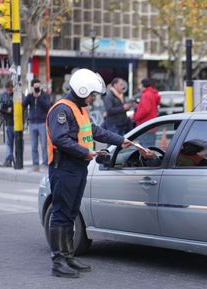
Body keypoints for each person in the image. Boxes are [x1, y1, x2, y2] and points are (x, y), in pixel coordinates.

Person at [46, 68, 152, 278]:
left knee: (71, 213)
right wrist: (87, 152)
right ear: (82, 90)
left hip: (78, 168)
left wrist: (121, 140)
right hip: (64, 169)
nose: (94, 98)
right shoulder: (62, 110)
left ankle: (68, 257)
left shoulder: (80, 109)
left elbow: (95, 131)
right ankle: (58, 262)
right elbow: (61, 139)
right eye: (92, 94)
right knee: (61, 213)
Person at [23, 78, 51, 171]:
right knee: (33, 146)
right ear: (32, 87)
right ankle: (35, 164)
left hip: (42, 123)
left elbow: (48, 107)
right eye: (35, 87)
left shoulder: (45, 95)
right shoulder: (30, 96)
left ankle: (45, 164)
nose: (37, 89)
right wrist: (30, 95)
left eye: (38, 87)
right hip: (32, 123)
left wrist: (39, 97)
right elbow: (23, 105)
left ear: (41, 86)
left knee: (44, 145)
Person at [133, 78, 160, 146]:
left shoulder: (146, 95)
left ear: (143, 85)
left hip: (145, 126)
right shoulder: (152, 93)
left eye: (140, 85)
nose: (139, 87)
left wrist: (136, 116)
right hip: (151, 125)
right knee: (150, 149)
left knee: (146, 150)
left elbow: (145, 110)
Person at [0, 81, 15, 167]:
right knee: (8, 142)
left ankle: (16, 160)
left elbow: (21, 107)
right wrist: (4, 110)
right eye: (7, 90)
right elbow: (0, 107)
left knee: (17, 142)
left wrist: (11, 109)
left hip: (16, 122)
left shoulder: (17, 95)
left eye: (10, 90)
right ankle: (8, 160)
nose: (9, 91)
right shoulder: (3, 95)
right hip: (7, 122)